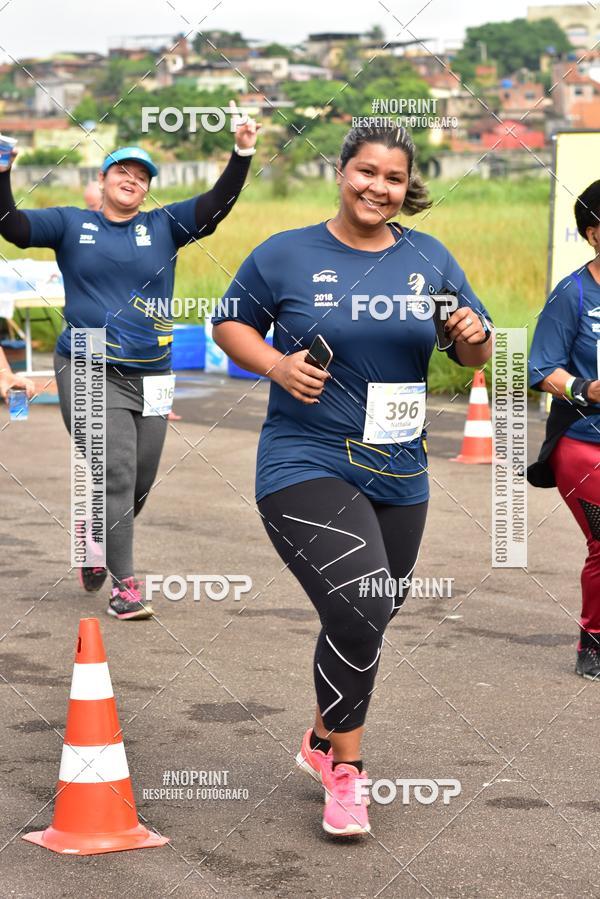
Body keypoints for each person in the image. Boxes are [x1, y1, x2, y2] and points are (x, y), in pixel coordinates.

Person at [213, 124, 493, 836]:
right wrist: (274, 363)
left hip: (401, 468)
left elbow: (471, 348)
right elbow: (229, 323)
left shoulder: (428, 258)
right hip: (304, 459)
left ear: (408, 188)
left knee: (365, 616)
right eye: (366, 172)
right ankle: (348, 773)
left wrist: (469, 332)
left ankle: (319, 739)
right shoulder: (286, 253)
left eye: (394, 179)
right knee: (363, 601)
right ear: (342, 172)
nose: (378, 187)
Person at [0, 114, 260, 619]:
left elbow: (217, 205)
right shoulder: (73, 224)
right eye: (123, 171)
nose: (132, 179)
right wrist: (2, 171)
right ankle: (126, 585)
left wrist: (242, 153)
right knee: (116, 471)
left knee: (139, 480)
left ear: (147, 190)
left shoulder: (164, 226)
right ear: (102, 180)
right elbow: (11, 226)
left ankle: (95, 537)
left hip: (155, 370)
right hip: (89, 359)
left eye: (142, 176)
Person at [528, 179, 600, 679]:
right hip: (583, 443)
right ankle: (592, 642)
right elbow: (539, 367)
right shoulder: (573, 293)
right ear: (594, 233)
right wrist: (588, 391)